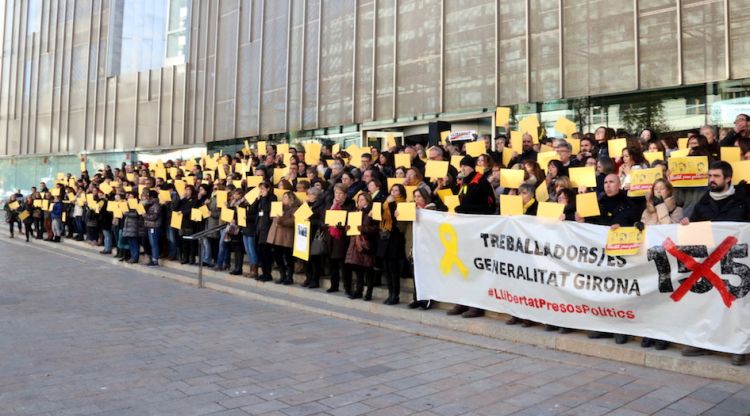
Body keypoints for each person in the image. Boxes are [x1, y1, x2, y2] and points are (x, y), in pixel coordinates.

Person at [678, 161, 747, 365]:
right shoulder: (704, 201)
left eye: (716, 176)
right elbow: (695, 227)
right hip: (709, 263)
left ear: (727, 179)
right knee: (705, 304)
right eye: (710, 176)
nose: (711, 180)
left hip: (735, 263)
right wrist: (687, 224)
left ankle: (738, 347)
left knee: (735, 306)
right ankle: (702, 342)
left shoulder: (743, 201)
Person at [449, 156, 496, 318]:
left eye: (464, 166)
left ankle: (477, 305)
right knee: (463, 268)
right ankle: (463, 300)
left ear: (471, 167)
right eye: (460, 166)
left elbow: (490, 207)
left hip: (477, 230)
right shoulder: (464, 182)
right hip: (464, 230)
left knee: (475, 269)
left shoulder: (481, 182)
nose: (461, 169)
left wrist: (465, 208)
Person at [344, 192, 378, 299]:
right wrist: (348, 228)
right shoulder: (354, 212)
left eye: (362, 200)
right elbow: (349, 226)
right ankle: (358, 291)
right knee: (358, 269)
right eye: (358, 200)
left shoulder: (372, 211)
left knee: (368, 269)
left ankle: (369, 292)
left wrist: (363, 228)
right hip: (355, 243)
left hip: (366, 243)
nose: (360, 202)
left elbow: (376, 228)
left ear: (368, 200)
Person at [267, 191, 300, 285]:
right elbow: (273, 218)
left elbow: (293, 222)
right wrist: (272, 215)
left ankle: (289, 277)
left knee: (288, 257)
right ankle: (282, 275)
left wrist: (281, 219)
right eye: (283, 197)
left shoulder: (295, 209)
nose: (283, 199)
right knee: (277, 256)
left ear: (291, 199)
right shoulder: (279, 207)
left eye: (285, 197)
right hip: (276, 235)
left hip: (286, 236)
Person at [143, 190, 162, 266]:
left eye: (148, 196)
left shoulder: (156, 205)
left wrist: (145, 216)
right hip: (149, 225)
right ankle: (153, 258)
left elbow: (154, 216)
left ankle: (155, 260)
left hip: (154, 226)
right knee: (151, 243)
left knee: (154, 243)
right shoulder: (149, 204)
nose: (146, 197)